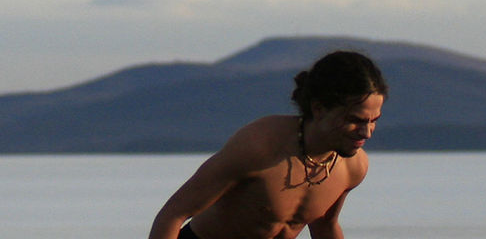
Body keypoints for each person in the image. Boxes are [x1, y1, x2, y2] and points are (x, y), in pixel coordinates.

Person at [148, 50, 388, 239]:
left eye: (374, 120)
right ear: (319, 108)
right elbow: (172, 215)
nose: (366, 132)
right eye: (355, 120)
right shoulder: (259, 146)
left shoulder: (353, 167)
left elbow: (325, 226)